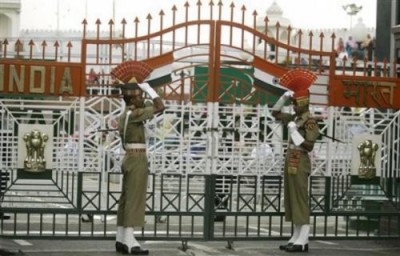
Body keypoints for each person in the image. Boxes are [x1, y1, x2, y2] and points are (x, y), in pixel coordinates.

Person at [113, 70, 165, 255]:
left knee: (126, 200)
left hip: (129, 157)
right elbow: (160, 106)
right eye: (140, 97)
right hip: (137, 159)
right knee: (135, 199)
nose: (143, 99)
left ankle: (121, 238)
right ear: (133, 100)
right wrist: (150, 90)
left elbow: (151, 108)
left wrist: (140, 94)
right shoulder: (135, 114)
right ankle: (129, 241)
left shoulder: (125, 114)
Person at [271, 69, 320, 253]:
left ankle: (304, 238)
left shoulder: (310, 122)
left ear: (303, 103)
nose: (293, 107)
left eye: (295, 103)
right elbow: (275, 113)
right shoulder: (295, 118)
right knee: (292, 198)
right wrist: (284, 97)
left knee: (300, 198)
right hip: (291, 159)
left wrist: (293, 133)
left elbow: (309, 146)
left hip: (300, 159)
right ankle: (297, 237)